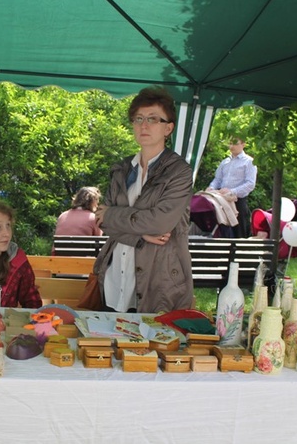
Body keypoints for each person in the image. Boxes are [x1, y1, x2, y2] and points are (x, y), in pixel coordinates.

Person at [93, 86, 194, 313]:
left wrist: (112, 215)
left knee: (149, 345)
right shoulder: (121, 168)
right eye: (138, 118)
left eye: (152, 119)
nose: (143, 125)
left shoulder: (179, 172)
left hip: (157, 282)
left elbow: (160, 223)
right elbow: (102, 221)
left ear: (169, 128)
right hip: (113, 277)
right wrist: (142, 235)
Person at [205, 137, 257, 238]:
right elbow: (217, 179)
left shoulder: (249, 162)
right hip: (222, 201)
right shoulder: (225, 162)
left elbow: (250, 184)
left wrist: (232, 191)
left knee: (239, 234)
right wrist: (211, 188)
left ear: (243, 144)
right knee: (223, 230)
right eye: (230, 143)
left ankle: (239, 253)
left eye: (235, 143)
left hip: (238, 202)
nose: (231, 146)